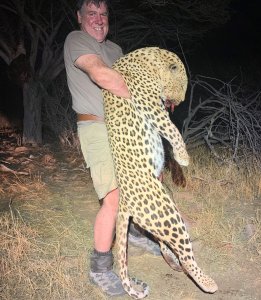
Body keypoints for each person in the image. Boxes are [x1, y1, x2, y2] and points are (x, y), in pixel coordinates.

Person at [64, 0, 160, 296]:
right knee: (114, 197)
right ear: (80, 17)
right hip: (96, 127)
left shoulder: (117, 50)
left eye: (103, 14)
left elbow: (134, 80)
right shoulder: (76, 39)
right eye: (91, 13)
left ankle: (134, 233)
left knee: (140, 185)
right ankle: (100, 269)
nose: (98, 19)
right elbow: (102, 76)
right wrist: (145, 99)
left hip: (125, 127)